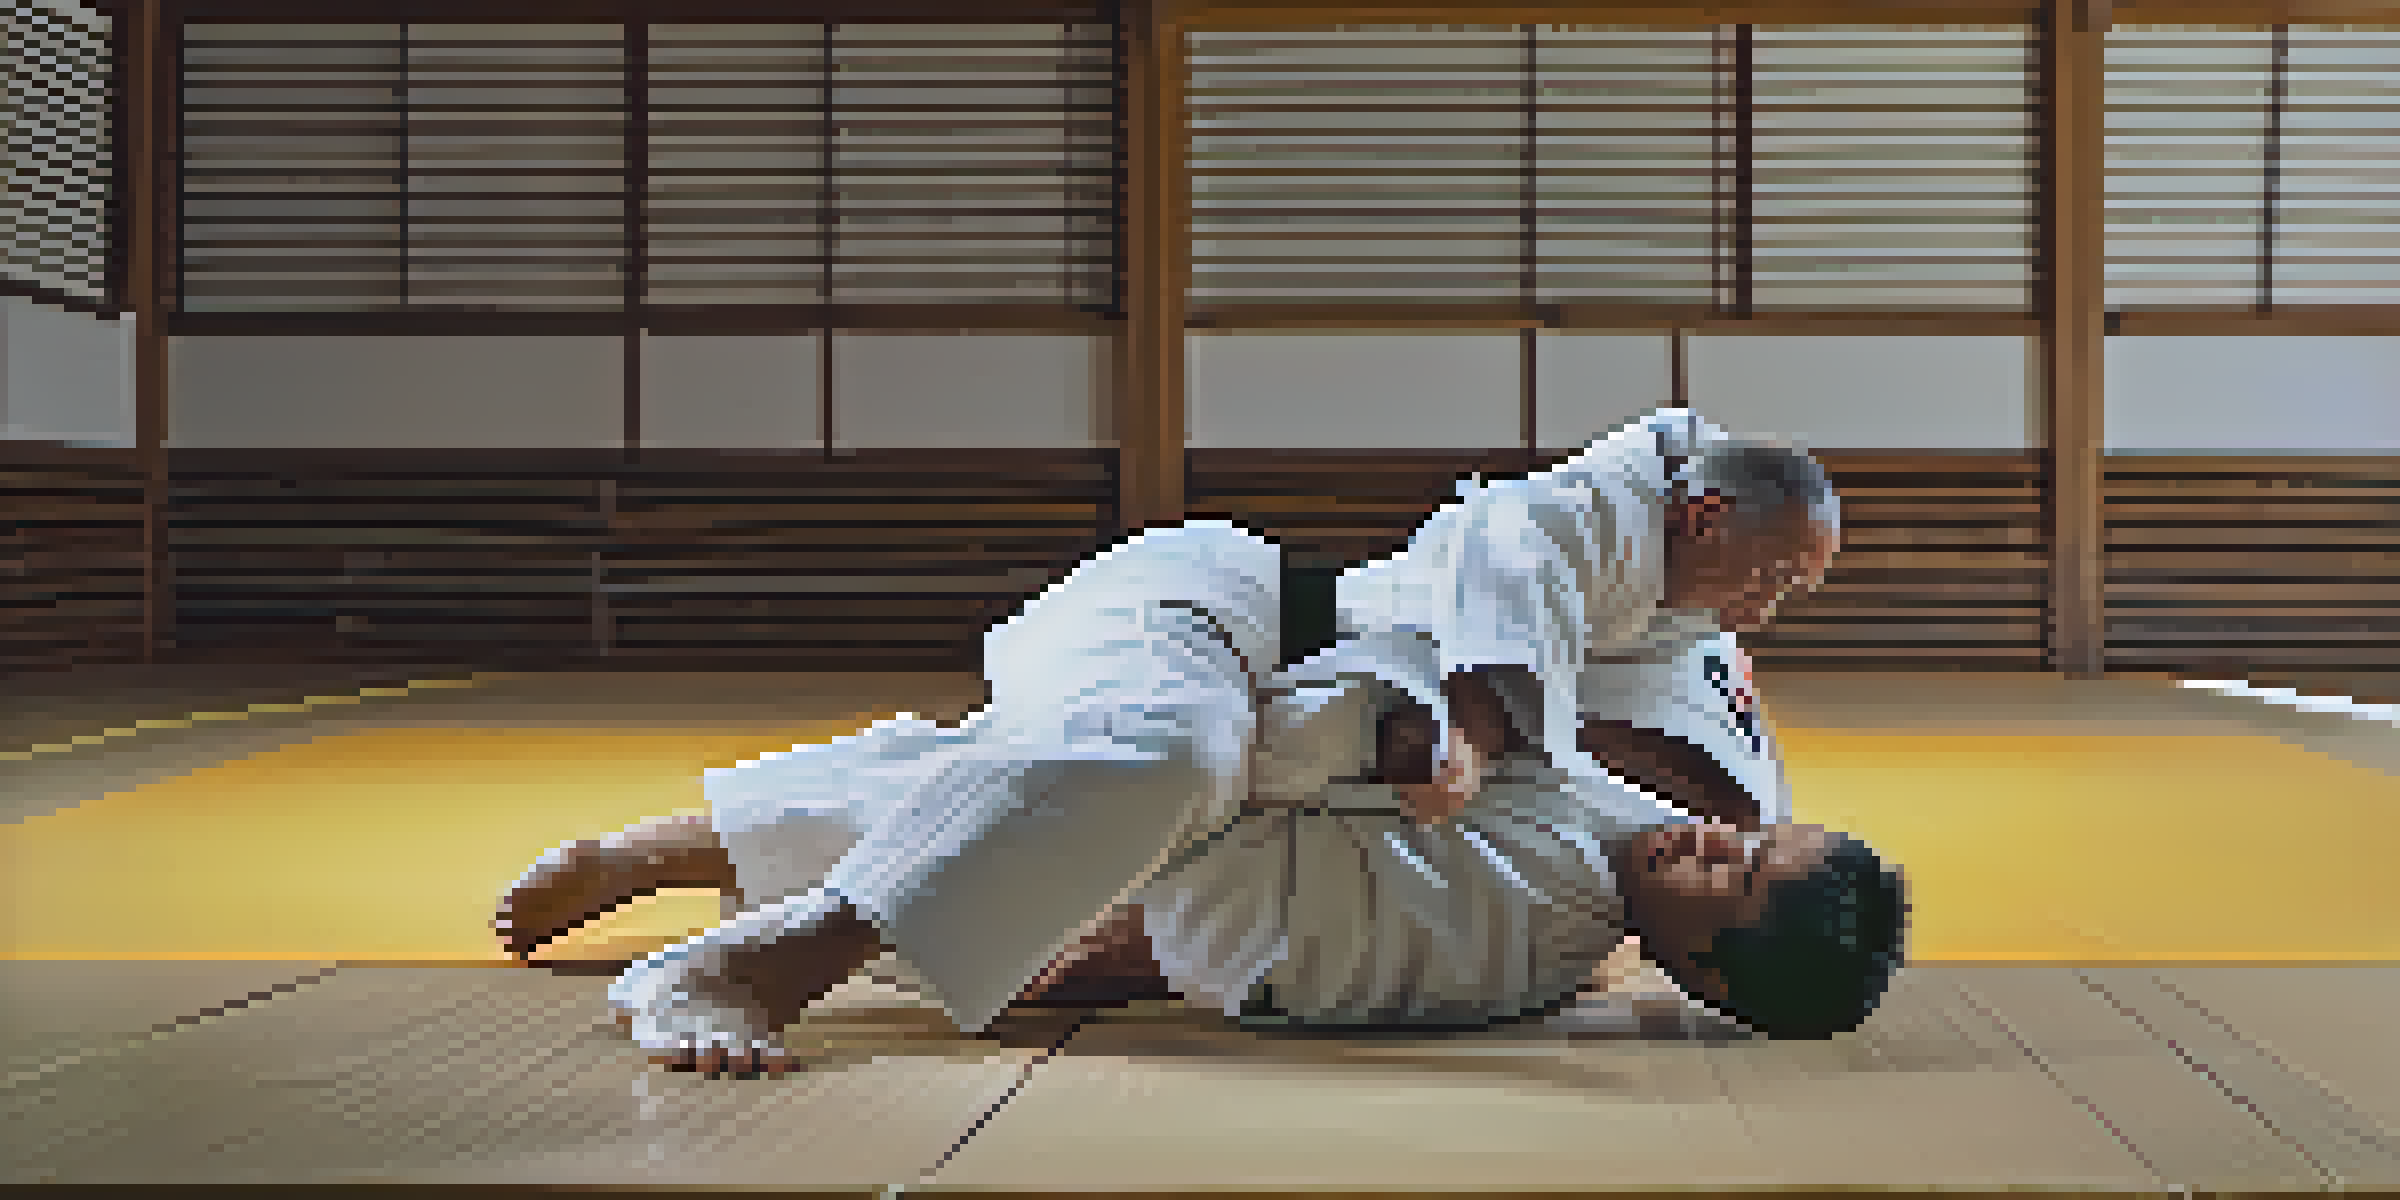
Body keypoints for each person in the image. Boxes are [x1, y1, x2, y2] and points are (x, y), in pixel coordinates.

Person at [495, 410, 1907, 1076]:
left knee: (1096, 778)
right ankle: (763, 956)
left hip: (1234, 684)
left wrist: (1143, 948)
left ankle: (656, 853)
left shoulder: (1585, 879)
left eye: (1729, 868)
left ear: (1700, 964)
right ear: (1708, 519)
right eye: (1770, 573)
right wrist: (1461, 730)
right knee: (1164, 758)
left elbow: (1324, 927)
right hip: (1220, 602)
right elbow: (1510, 554)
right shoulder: (1603, 522)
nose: (1715, 832)